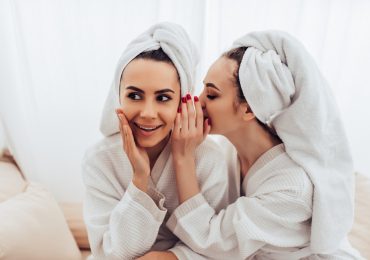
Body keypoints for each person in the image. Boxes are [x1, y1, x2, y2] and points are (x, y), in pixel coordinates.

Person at [167, 30, 363, 259]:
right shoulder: (230, 153)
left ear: (249, 108)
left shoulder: (292, 187)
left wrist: (183, 157)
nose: (197, 103)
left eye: (211, 95)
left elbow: (212, 241)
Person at [82, 22, 231, 260]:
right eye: (134, 95)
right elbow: (108, 254)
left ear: (183, 101)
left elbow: (216, 251)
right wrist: (140, 181)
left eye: (163, 97)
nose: (148, 113)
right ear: (117, 96)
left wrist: (167, 258)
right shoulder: (100, 160)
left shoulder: (209, 159)